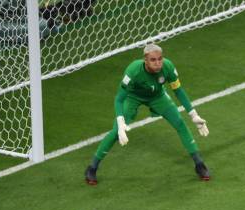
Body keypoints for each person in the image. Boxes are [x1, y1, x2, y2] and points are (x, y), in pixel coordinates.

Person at [84, 43, 210, 184]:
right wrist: (120, 123)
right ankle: (92, 167)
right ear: (145, 60)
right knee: (115, 133)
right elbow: (119, 99)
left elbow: (178, 90)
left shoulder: (168, 67)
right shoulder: (133, 71)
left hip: (158, 96)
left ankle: (199, 164)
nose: (158, 63)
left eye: (160, 59)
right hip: (133, 98)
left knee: (180, 123)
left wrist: (193, 114)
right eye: (153, 60)